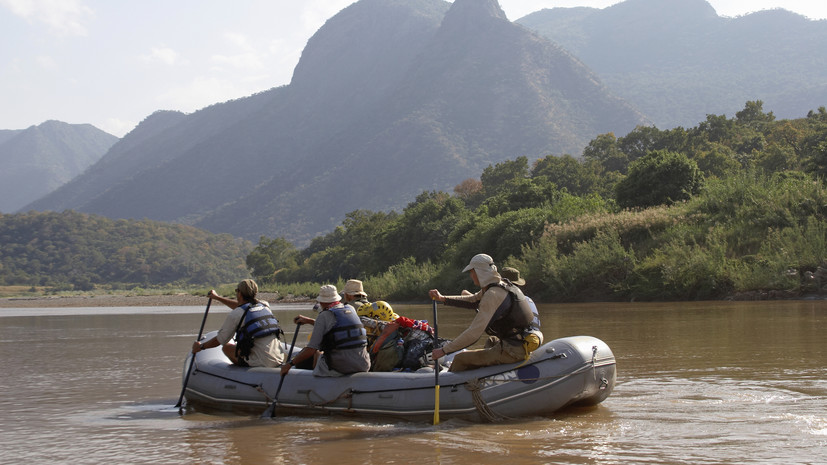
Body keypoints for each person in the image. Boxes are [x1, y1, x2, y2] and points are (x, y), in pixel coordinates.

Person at [428, 254, 536, 372]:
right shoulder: (500, 286)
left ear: (479, 272)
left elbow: (474, 333)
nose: (471, 275)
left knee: (460, 359)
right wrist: (443, 298)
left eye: (472, 272)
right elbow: (473, 300)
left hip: (513, 351)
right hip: (518, 343)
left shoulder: (492, 295)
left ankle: (454, 387)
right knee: (491, 341)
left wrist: (444, 350)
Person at [280, 284, 371, 377]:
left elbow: (311, 349)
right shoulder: (350, 309)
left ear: (321, 302)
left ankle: (315, 383)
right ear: (338, 299)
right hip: (363, 365)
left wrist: (289, 365)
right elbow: (335, 326)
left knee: (316, 354)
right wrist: (309, 321)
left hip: (340, 368)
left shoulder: (324, 315)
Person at [191, 279, 284, 368]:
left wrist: (201, 346)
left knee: (226, 347)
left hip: (260, 362)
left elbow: (219, 340)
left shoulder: (236, 314)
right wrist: (217, 297)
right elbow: (244, 307)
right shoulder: (265, 306)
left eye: (237, 291)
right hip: (278, 358)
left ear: (239, 293)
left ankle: (242, 373)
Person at [498, 266, 543, 346]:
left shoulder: (509, 301)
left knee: (491, 341)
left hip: (522, 341)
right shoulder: (527, 299)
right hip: (536, 338)